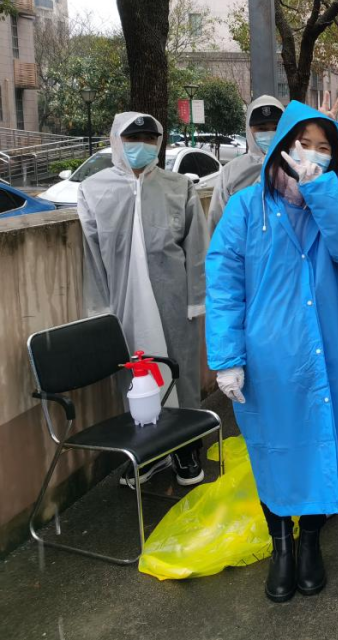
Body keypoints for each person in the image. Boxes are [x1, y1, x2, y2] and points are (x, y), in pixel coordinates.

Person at [205, 101, 338, 603]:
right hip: (268, 360)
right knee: (272, 449)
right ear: (282, 145)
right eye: (304, 144)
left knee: (323, 440)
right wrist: (227, 358)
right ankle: (281, 544)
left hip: (329, 347)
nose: (312, 155)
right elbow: (223, 286)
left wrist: (321, 190)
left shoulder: (337, 201)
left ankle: (311, 541)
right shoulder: (245, 209)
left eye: (324, 149)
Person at [78, 112, 209, 488]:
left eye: (150, 139)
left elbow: (197, 248)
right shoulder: (93, 190)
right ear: (117, 141)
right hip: (124, 307)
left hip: (174, 301)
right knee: (138, 381)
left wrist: (196, 299)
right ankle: (148, 453)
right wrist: (100, 311)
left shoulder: (178, 186)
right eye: (133, 138)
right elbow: (91, 256)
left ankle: (186, 450)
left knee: (180, 374)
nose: (142, 146)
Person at [207, 95, 285, 232]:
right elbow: (217, 220)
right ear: (249, 130)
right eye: (261, 129)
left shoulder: (295, 167)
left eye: (276, 127)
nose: (270, 133)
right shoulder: (231, 171)